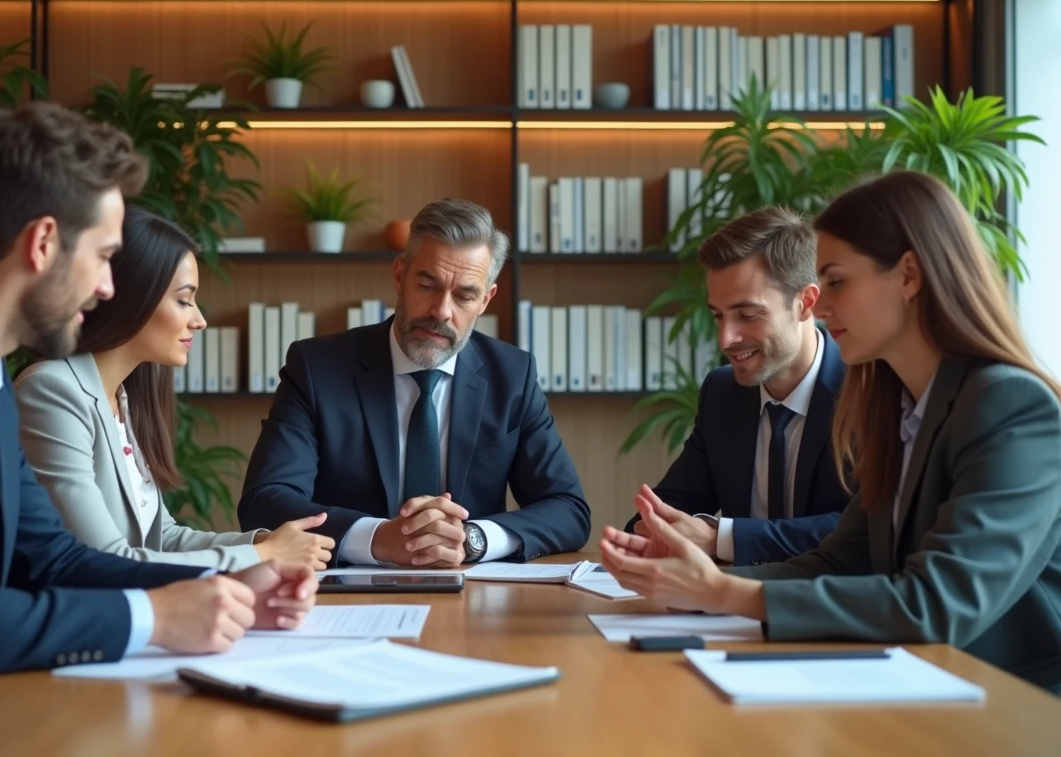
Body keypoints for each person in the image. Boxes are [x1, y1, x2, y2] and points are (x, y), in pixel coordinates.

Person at [0, 102, 317, 700]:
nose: (108, 287)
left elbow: (54, 559)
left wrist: (228, 587)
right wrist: (156, 617)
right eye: (103, 256)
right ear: (43, 242)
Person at [600, 170, 1061, 693]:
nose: (821, 306)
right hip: (918, 681)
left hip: (1013, 702)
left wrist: (723, 592)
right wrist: (700, 587)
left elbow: (938, 605)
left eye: (837, 281)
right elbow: (845, 559)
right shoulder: (894, 402)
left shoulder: (1009, 404)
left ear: (909, 276)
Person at [239, 198, 591, 567]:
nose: (441, 311)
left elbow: (568, 510)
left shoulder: (512, 375)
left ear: (485, 300)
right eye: (427, 285)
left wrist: (472, 539)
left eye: (464, 296)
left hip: (472, 594)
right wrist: (374, 539)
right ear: (399, 275)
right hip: (346, 594)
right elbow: (264, 501)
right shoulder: (317, 368)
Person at [15, 206, 335, 571]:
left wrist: (261, 542)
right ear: (131, 296)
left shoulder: (123, 399)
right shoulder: (52, 392)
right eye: (184, 300)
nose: (199, 320)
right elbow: (103, 560)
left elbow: (162, 538)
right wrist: (263, 555)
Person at [626, 207, 849, 566]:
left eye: (747, 314)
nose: (725, 339)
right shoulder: (722, 393)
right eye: (718, 315)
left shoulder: (867, 390)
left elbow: (865, 532)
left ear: (807, 302)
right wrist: (657, 530)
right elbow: (664, 514)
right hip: (728, 612)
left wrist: (720, 538)